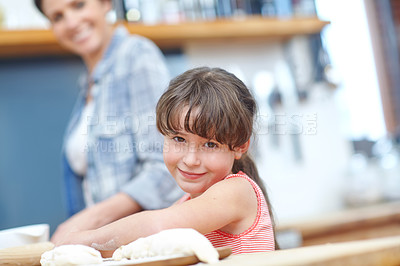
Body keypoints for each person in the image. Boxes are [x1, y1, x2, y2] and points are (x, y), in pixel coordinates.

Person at [55, 67, 277, 254]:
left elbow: (157, 226)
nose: (190, 160)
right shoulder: (182, 205)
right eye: (179, 139)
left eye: (210, 144)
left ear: (240, 146)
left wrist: (83, 240)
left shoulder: (237, 191)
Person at [33, 0, 183, 243]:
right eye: (58, 17)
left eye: (79, 5)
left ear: (105, 3)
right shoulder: (88, 85)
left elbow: (166, 165)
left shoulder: (136, 56)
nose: (71, 22)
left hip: (144, 245)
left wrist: (93, 220)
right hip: (109, 248)